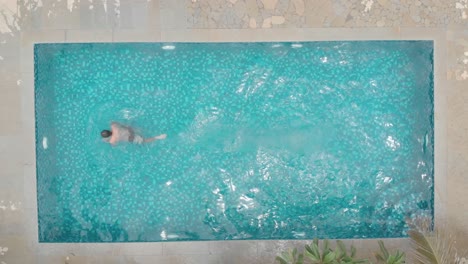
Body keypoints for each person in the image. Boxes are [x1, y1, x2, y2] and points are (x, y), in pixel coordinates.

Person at [101, 122, 166, 145]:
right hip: (130, 130)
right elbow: (115, 122)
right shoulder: (113, 125)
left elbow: (114, 145)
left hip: (130, 138)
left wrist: (106, 141)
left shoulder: (112, 140)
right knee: (142, 131)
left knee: (144, 141)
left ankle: (158, 137)